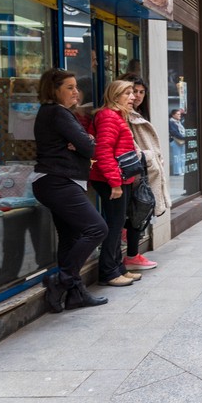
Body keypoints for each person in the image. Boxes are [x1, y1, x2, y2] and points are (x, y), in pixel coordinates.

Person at [33, 69, 108, 312]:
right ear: (54, 90)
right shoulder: (58, 112)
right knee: (97, 228)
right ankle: (61, 280)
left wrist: (83, 142)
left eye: (76, 87)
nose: (76, 92)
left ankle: (75, 295)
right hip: (59, 182)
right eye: (69, 87)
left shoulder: (51, 112)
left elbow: (84, 144)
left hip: (54, 182)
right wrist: (85, 142)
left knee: (70, 237)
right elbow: (90, 148)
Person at [89, 80, 142, 287]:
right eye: (127, 93)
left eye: (133, 93)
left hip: (120, 178)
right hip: (111, 179)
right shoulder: (108, 116)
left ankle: (118, 268)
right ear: (115, 96)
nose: (133, 97)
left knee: (118, 223)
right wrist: (115, 183)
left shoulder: (117, 116)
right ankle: (108, 272)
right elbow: (103, 152)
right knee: (114, 224)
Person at [119, 75, 170, 271]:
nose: (137, 96)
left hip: (143, 171)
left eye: (141, 92)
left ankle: (132, 255)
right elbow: (128, 146)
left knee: (140, 213)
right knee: (136, 213)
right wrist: (148, 158)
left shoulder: (137, 114)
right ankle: (130, 256)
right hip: (135, 172)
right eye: (133, 91)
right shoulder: (123, 115)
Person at [168, 108, 185, 176]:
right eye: (178, 114)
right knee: (177, 157)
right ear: (173, 115)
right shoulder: (171, 122)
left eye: (180, 114)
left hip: (182, 141)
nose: (179, 115)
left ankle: (182, 170)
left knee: (182, 156)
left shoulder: (179, 122)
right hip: (175, 141)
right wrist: (184, 137)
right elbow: (174, 132)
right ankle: (177, 171)